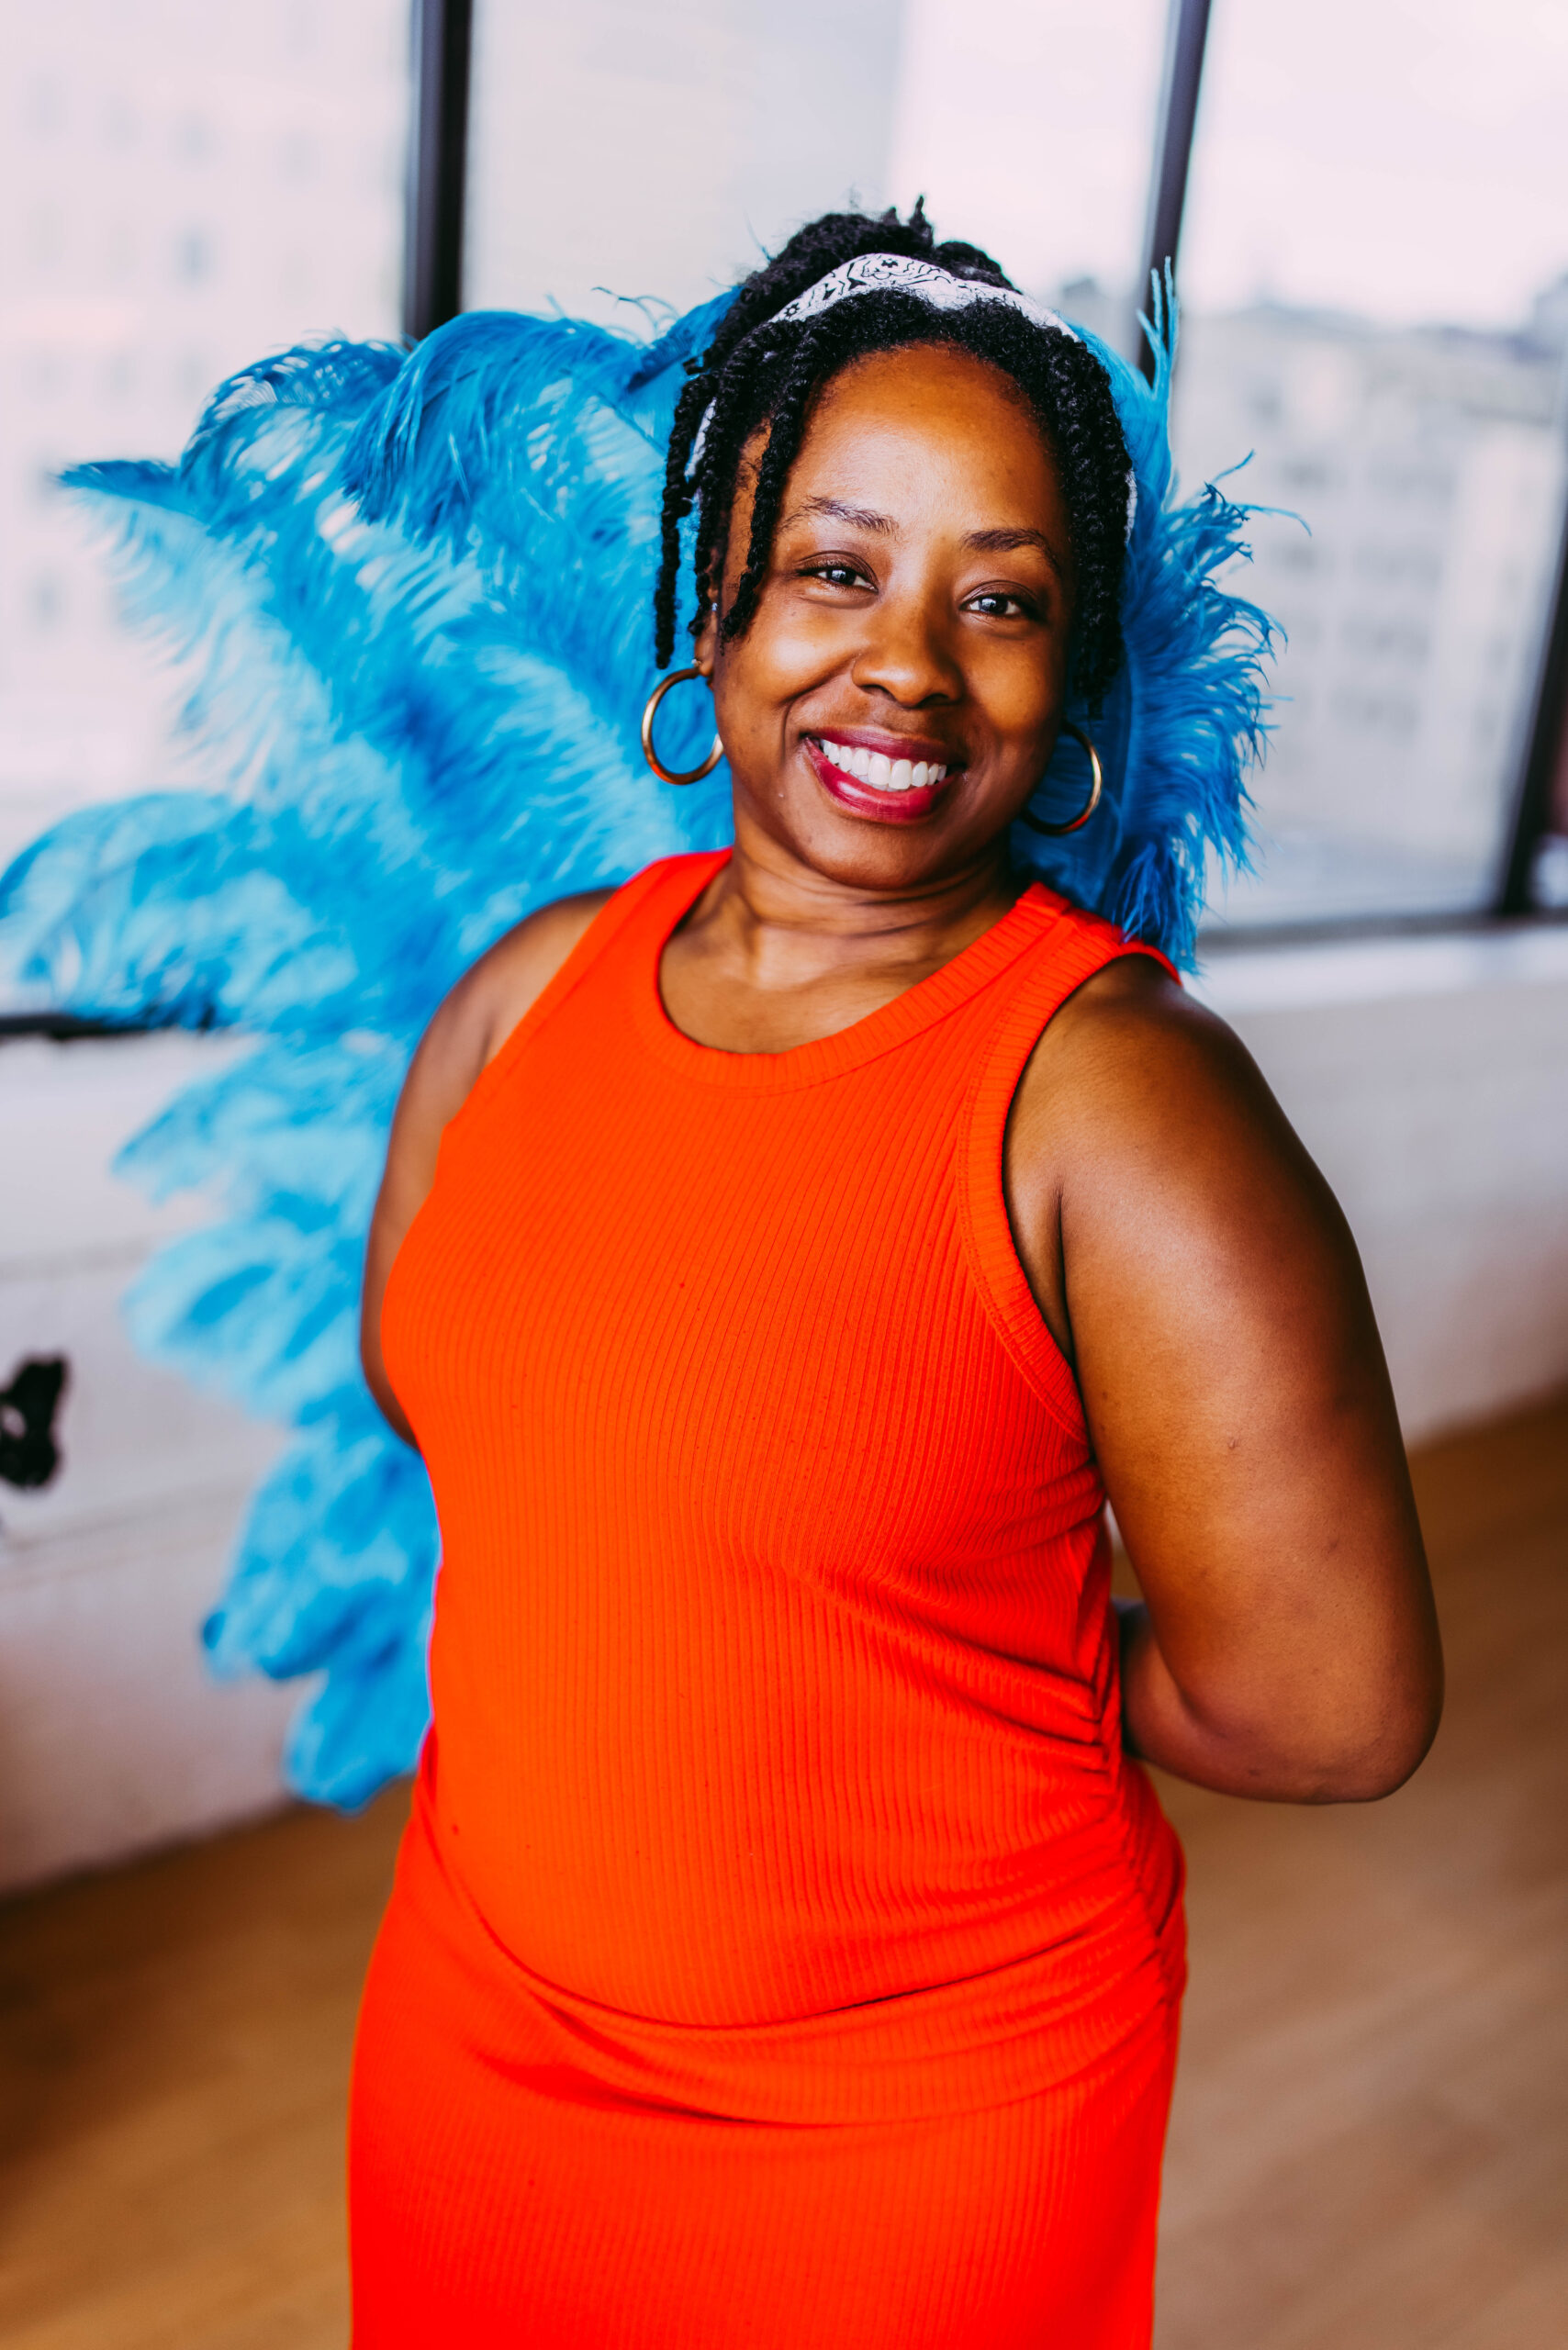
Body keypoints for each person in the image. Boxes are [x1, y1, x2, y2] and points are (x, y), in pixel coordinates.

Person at [345, 209, 1443, 2347]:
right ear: (718, 608)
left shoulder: (1116, 1098)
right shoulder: (529, 988)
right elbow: (441, 1387)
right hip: (478, 2034)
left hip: (906, 2128)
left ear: (1071, 685)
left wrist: (954, 1657)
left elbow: (1321, 1702)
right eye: (835, 569)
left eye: (998, 599)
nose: (907, 662)